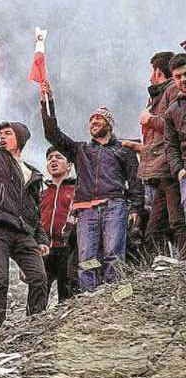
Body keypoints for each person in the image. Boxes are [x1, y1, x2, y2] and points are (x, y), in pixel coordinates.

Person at [40, 80, 144, 291]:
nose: (94, 121)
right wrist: (46, 101)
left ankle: (116, 297)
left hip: (115, 204)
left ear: (109, 124)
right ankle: (91, 299)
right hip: (86, 208)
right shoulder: (80, 150)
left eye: (99, 118)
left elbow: (135, 180)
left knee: (114, 254)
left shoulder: (124, 149)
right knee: (87, 257)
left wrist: (136, 208)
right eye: (91, 119)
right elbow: (52, 133)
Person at [0, 84, 49, 323]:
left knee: (39, 278)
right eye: (0, 134)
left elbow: (35, 211)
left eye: (7, 133)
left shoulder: (33, 174)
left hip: (24, 232)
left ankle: (35, 322)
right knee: (0, 280)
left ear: (20, 138)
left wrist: (42, 239)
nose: (1, 137)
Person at [123, 52, 184, 257]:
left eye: (153, 72)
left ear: (159, 72)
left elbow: (174, 126)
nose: (150, 78)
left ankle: (182, 263)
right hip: (162, 171)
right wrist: (140, 148)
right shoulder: (162, 95)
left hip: (170, 169)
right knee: (156, 229)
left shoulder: (172, 90)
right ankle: (164, 265)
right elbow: (162, 139)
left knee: (176, 221)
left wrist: (149, 119)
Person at [40, 147, 78, 302]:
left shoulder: (77, 189)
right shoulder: (41, 192)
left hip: (68, 248)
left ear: (69, 165)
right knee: (38, 292)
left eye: (58, 157)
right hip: (44, 249)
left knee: (67, 294)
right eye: (49, 158)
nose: (53, 160)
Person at [165, 53, 186, 229]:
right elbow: (170, 146)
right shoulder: (172, 110)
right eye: (178, 77)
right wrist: (179, 170)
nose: (183, 80)